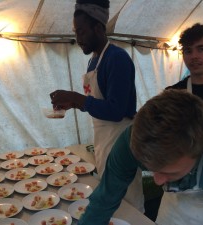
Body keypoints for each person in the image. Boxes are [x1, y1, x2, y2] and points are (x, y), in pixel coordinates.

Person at [78, 89, 203, 225]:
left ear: (199, 150)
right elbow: (105, 198)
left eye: (170, 172)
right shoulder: (131, 142)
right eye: (151, 169)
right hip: (176, 207)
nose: (157, 181)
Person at [50, 0, 144, 212]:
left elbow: (116, 110)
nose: (78, 39)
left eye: (81, 32)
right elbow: (97, 104)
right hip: (103, 141)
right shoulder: (94, 60)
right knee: (111, 201)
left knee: (128, 205)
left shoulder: (117, 58)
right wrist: (73, 103)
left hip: (121, 140)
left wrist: (77, 98)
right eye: (75, 32)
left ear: (99, 28)